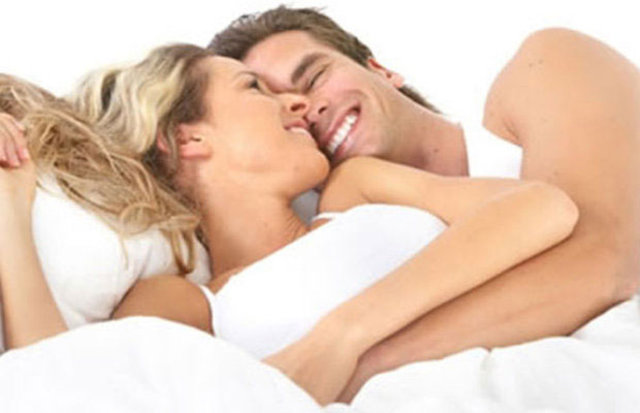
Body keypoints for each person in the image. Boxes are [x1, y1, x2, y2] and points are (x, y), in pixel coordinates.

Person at [0, 43, 577, 404]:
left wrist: (344, 337)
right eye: (253, 88)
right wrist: (10, 207)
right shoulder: (192, 303)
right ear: (188, 138)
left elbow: (544, 207)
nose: (297, 104)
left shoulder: (355, 191)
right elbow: (62, 383)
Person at [208, 6, 640, 398]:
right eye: (276, 109)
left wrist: (348, 359)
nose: (302, 107)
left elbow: (606, 261)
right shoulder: (350, 258)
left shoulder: (544, 66)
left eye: (315, 77)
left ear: (381, 70)